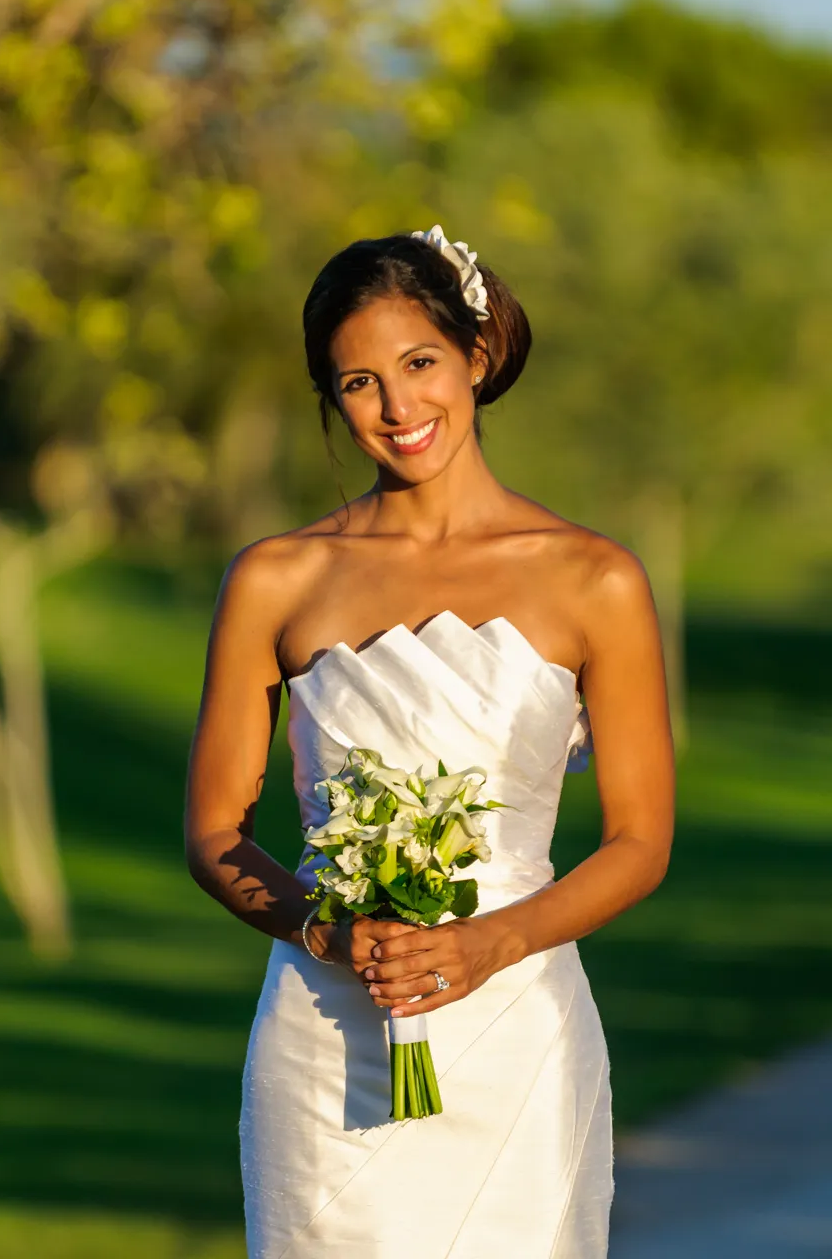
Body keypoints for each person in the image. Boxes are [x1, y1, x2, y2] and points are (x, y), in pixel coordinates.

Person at [184, 224, 675, 1258]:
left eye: (419, 365)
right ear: (330, 397)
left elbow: (640, 842)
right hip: (325, 1034)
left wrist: (493, 941)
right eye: (358, 383)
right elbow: (217, 834)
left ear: (477, 357)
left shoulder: (595, 579)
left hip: (519, 1031)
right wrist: (328, 932)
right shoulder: (276, 578)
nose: (399, 409)